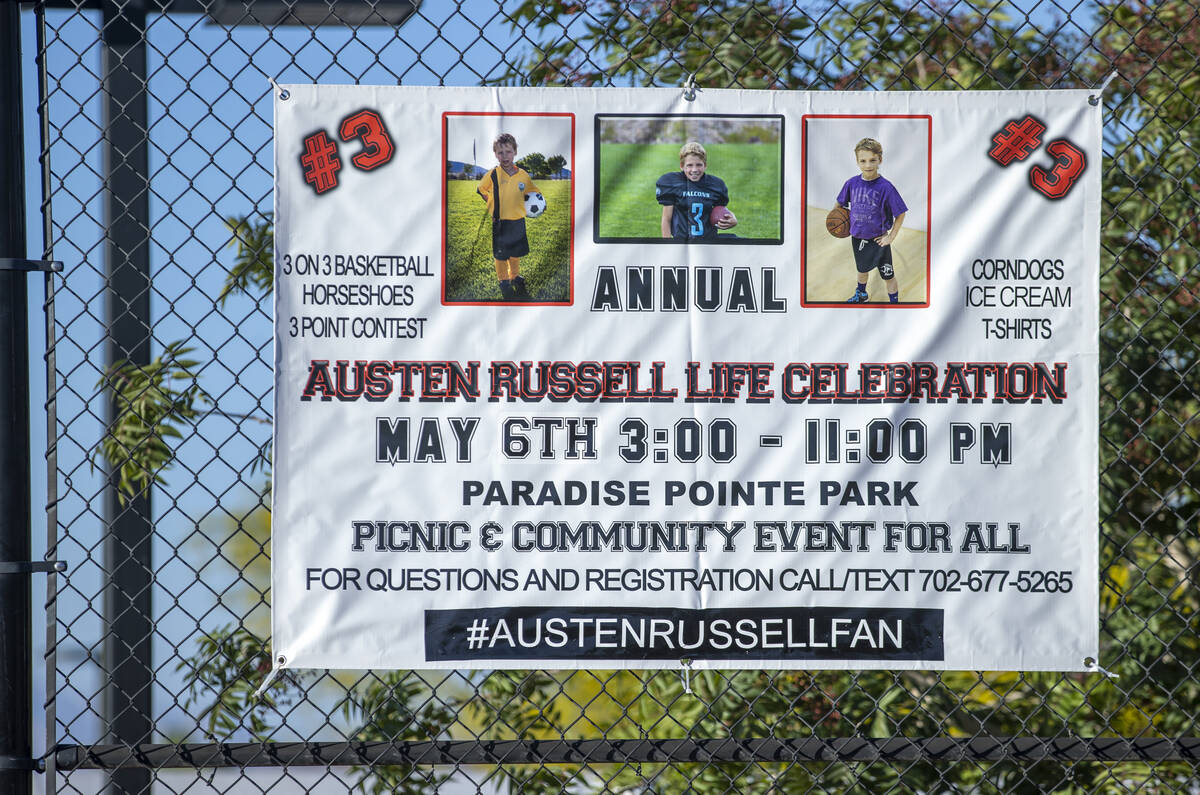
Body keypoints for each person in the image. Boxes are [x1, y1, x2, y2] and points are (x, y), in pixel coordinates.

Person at [836, 137, 908, 303]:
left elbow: (901, 213)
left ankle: (894, 302)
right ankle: (861, 294)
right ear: (857, 162)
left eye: (872, 160)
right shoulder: (851, 183)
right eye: (863, 161)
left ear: (879, 160)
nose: (868, 165)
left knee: (888, 275)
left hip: (879, 240)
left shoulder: (886, 187)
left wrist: (891, 237)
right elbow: (839, 204)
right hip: (858, 238)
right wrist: (835, 221)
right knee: (861, 271)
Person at [477, 133, 539, 300]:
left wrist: (540, 201)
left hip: (518, 221)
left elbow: (533, 191)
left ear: (515, 152)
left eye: (508, 151)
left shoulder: (523, 175)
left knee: (515, 252)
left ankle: (515, 276)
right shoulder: (493, 174)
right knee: (501, 254)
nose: (504, 156)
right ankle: (503, 280)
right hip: (500, 223)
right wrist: (491, 202)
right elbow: (481, 189)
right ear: (495, 154)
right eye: (500, 152)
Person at [656, 141, 737, 241]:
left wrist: (733, 219)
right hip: (682, 241)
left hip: (708, 240)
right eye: (689, 165)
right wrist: (667, 244)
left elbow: (721, 210)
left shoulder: (715, 185)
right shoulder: (672, 182)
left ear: (705, 165)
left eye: (699, 165)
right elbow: (666, 219)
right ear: (682, 166)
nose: (694, 169)